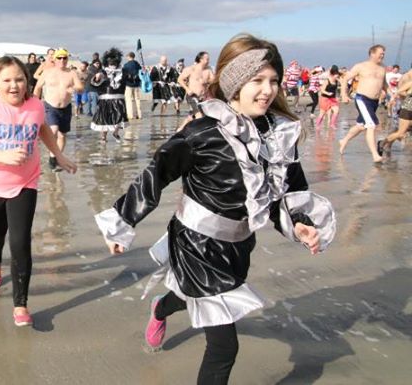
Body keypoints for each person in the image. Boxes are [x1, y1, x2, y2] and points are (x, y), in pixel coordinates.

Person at [96, 34, 335, 384]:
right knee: (224, 348)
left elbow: (288, 190)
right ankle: (167, 307)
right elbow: (156, 174)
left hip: (238, 245)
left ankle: (161, 307)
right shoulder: (202, 132)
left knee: (185, 296)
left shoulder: (278, 133)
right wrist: (121, 222)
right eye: (257, 80)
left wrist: (299, 224)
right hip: (195, 242)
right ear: (234, 82)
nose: (267, 90)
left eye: (273, 80)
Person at [0, 56, 76, 327]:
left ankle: (20, 305)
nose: (14, 85)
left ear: (28, 81)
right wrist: (2, 156)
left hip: (26, 182)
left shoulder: (36, 105)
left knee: (21, 241)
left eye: (20, 79)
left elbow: (42, 130)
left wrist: (58, 154)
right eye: (7, 80)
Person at [33, 48, 83, 169]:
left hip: (65, 107)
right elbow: (38, 87)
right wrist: (35, 102)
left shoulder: (71, 73)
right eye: (59, 58)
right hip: (50, 106)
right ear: (54, 59)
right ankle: (53, 155)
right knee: (53, 131)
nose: (62, 60)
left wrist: (75, 88)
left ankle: (55, 156)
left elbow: (81, 87)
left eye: (64, 58)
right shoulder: (47, 72)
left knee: (62, 136)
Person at [339, 44, 387, 163]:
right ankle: (375, 155)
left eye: (384, 53)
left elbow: (384, 83)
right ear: (372, 53)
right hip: (362, 99)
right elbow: (345, 79)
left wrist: (388, 93)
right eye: (381, 53)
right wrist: (344, 95)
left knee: (361, 126)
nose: (383, 55)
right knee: (371, 125)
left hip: (374, 102)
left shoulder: (383, 68)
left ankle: (343, 140)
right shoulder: (361, 66)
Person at [91, 48, 128, 142]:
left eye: (114, 63)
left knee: (120, 117)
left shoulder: (123, 71)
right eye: (111, 63)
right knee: (104, 118)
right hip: (105, 99)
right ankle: (103, 137)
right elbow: (94, 84)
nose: (112, 65)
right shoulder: (103, 72)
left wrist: (140, 75)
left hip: (119, 98)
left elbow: (131, 80)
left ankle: (115, 133)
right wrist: (96, 78)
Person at [378, 67, 412, 156]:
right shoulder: (407, 79)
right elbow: (399, 91)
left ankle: (387, 145)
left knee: (401, 131)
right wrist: (408, 95)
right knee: (400, 132)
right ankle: (383, 143)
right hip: (405, 108)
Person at [177, 51, 214, 130]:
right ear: (201, 59)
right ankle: (198, 133)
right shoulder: (191, 69)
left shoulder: (209, 70)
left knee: (192, 116)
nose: (208, 61)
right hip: (192, 95)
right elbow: (180, 80)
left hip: (203, 96)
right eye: (207, 59)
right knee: (199, 115)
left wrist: (206, 81)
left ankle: (179, 130)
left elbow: (214, 81)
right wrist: (187, 89)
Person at [316, 65, 341, 129]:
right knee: (322, 113)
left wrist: (338, 96)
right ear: (332, 74)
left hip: (332, 99)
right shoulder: (327, 81)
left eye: (337, 74)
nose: (337, 76)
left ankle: (332, 124)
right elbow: (322, 90)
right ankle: (318, 125)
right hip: (325, 98)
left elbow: (342, 83)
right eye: (336, 74)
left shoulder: (337, 81)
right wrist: (328, 93)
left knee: (336, 110)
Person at [122, 52, 142, 120]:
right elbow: (141, 71)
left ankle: (130, 115)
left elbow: (124, 75)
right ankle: (139, 114)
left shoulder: (126, 65)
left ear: (129, 56)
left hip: (128, 84)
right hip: (136, 84)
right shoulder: (137, 64)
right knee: (137, 99)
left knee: (129, 100)